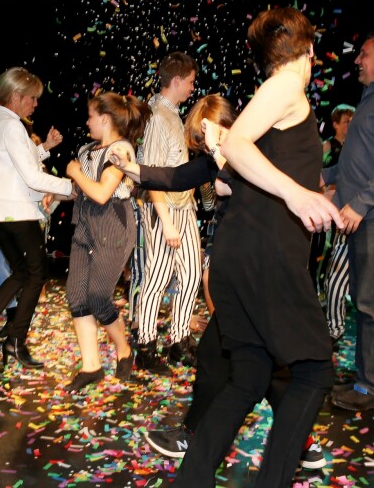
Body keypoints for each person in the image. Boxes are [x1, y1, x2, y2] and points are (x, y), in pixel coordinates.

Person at [110, 94, 328, 471]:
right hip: (242, 275)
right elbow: (177, 177)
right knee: (252, 368)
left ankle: (203, 440)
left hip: (263, 274)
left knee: (245, 365)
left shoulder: (258, 154)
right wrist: (132, 170)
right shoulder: (221, 155)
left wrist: (222, 147)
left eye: (209, 134)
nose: (206, 144)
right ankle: (296, 443)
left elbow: (235, 182)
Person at [173, 7, 341, 486]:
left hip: (238, 254)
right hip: (266, 255)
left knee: (248, 377)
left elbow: (229, 177)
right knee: (314, 373)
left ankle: (192, 479)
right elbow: (239, 145)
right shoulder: (288, 85)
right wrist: (297, 192)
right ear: (308, 50)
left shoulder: (270, 97)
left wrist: (303, 187)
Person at [0, 67, 74, 369]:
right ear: (16, 96)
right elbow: (32, 177)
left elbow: (17, 160)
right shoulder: (12, 125)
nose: (35, 104)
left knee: (22, 273)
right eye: (32, 98)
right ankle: (13, 339)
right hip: (17, 213)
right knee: (37, 274)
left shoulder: (1, 122)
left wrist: (45, 149)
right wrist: (71, 187)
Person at [59, 91, 152, 392]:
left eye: (90, 116)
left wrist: (73, 171)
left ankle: (124, 350)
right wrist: (57, 191)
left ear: (105, 118)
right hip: (84, 225)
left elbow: (101, 192)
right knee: (77, 296)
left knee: (98, 296)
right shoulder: (87, 149)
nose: (87, 122)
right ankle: (91, 366)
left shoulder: (122, 150)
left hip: (112, 225)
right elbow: (81, 191)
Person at [134, 51, 201, 373]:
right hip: (164, 211)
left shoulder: (173, 115)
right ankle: (145, 346)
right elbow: (150, 174)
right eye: (189, 82)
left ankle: (179, 339)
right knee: (157, 277)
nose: (192, 88)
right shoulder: (157, 117)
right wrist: (165, 222)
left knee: (191, 276)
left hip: (184, 207)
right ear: (176, 81)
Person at [324, 31, 374, 412]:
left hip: (370, 218)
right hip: (363, 218)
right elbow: (355, 163)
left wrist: (360, 203)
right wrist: (323, 178)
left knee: (369, 303)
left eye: (365, 54)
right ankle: (364, 376)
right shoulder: (368, 100)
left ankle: (367, 386)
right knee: (364, 302)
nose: (357, 60)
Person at [320, 104, 354, 343]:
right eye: (346, 121)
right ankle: (335, 329)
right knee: (335, 277)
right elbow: (334, 172)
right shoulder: (330, 146)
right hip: (339, 213)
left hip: (357, 214)